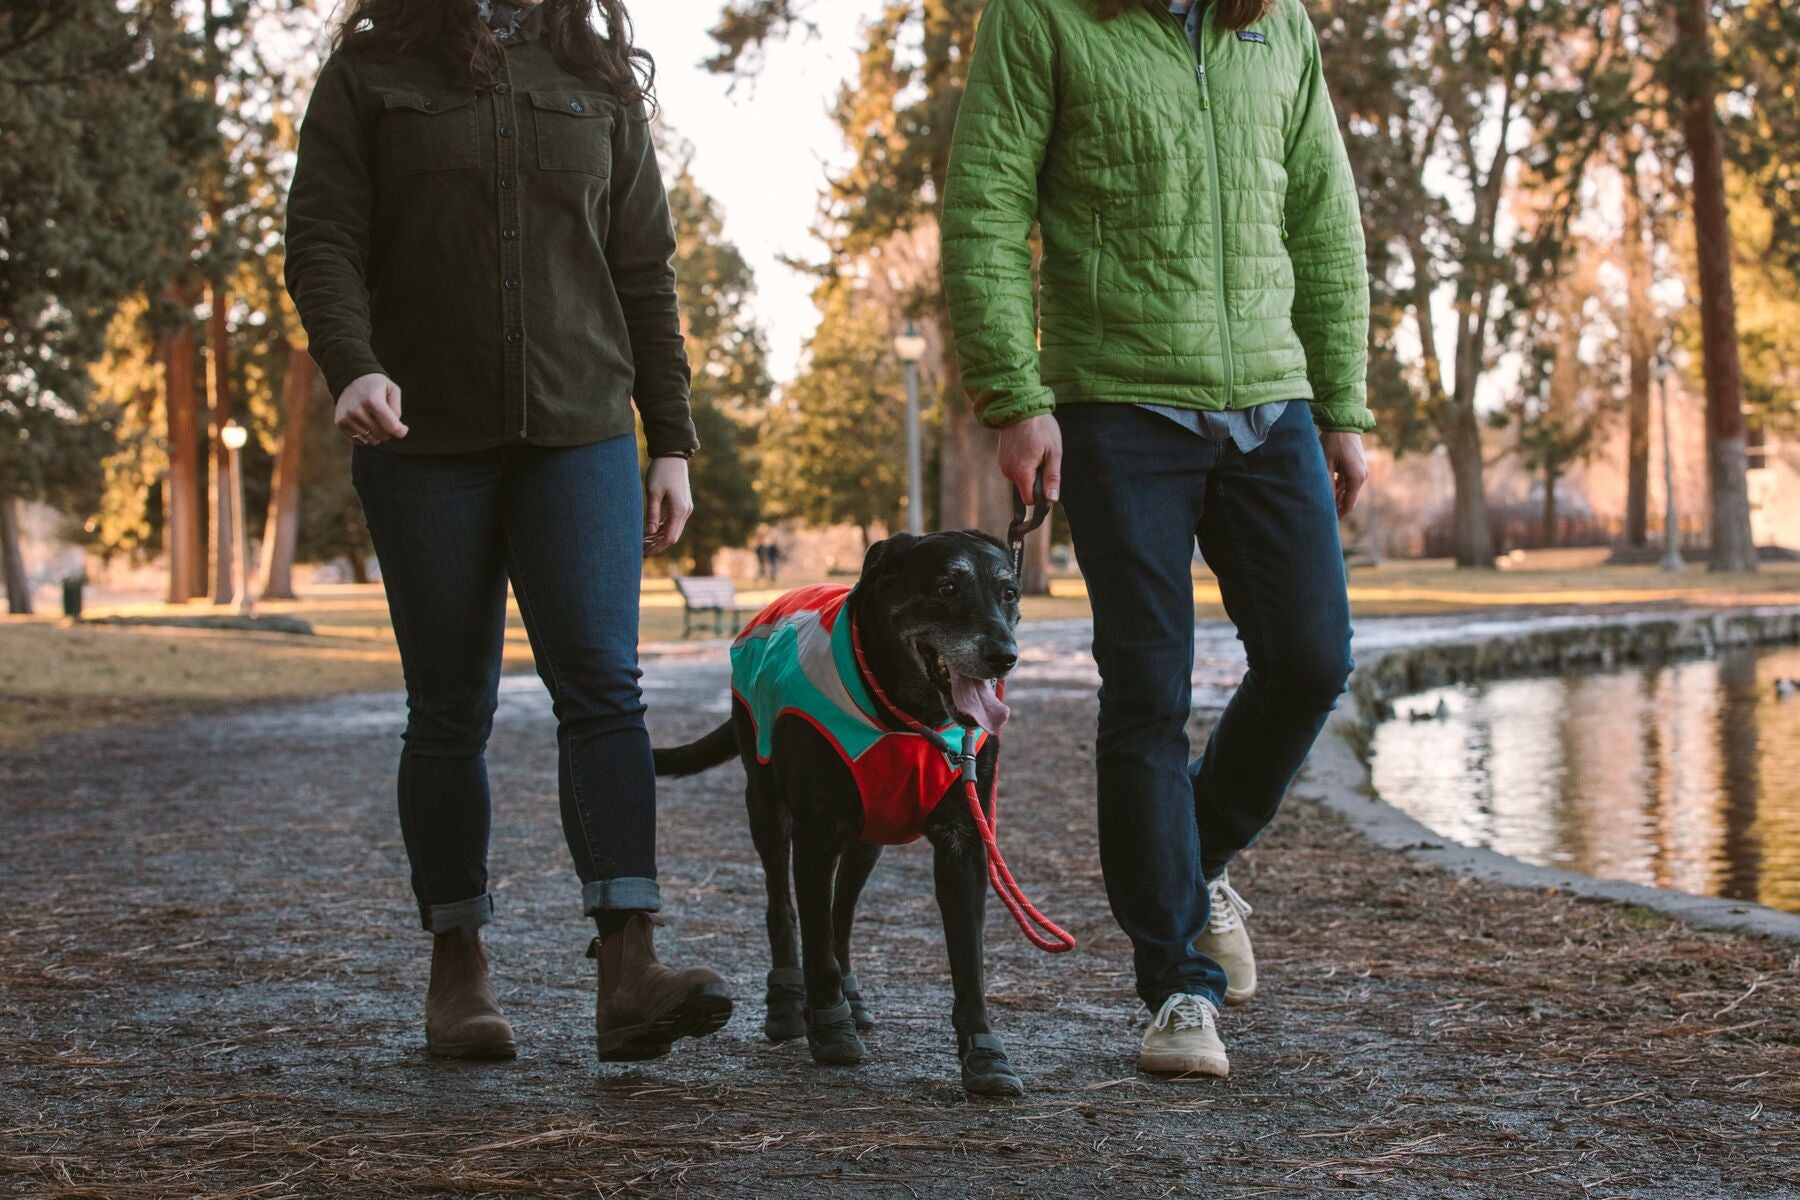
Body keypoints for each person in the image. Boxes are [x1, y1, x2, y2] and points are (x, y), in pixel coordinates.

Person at [285, 0, 731, 1063]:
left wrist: (671, 440)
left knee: (605, 688)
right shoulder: (369, 75)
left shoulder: (596, 75)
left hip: (580, 430)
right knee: (450, 706)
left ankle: (629, 965)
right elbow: (322, 239)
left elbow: (644, 269)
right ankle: (459, 971)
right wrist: (353, 364)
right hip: (420, 437)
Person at [941, 0, 1370, 1078]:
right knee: (1147, 690)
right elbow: (987, 204)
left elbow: (1322, 213)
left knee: (1313, 658)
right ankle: (1179, 986)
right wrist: (1013, 395)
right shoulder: (1041, 16)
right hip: (1116, 400)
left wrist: (1342, 402)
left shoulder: (1277, 25)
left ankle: (1197, 854)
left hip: (1271, 400)